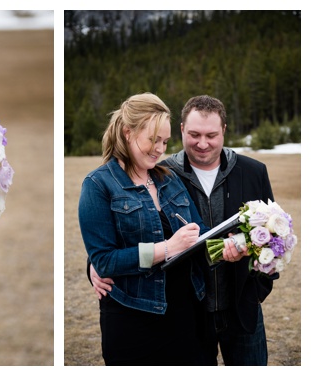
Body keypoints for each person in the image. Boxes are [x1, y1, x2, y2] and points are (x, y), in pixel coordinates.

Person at [91, 95, 277, 365]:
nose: (203, 143)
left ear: (224, 130)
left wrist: (258, 288)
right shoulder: (162, 173)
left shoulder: (253, 172)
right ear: (181, 130)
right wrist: (94, 266)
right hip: (189, 312)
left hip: (241, 309)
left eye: (211, 135)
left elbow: (272, 232)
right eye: (194, 134)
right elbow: (121, 235)